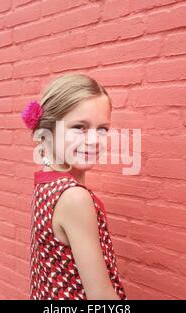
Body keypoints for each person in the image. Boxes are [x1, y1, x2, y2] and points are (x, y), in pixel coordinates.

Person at [22, 73, 127, 300]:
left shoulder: (46, 182)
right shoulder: (73, 198)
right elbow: (101, 297)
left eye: (102, 129)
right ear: (47, 132)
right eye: (79, 127)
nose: (94, 140)